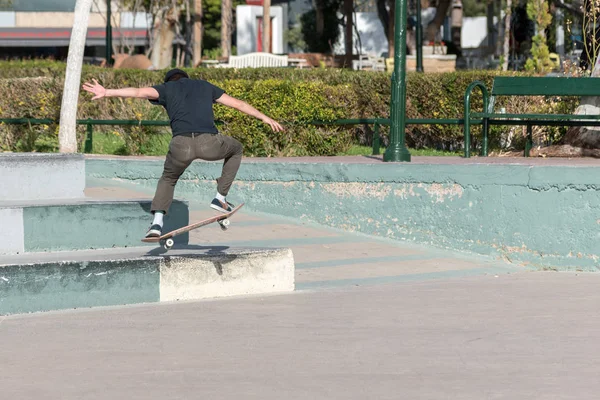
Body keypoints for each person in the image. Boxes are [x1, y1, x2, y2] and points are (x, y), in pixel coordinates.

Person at [82, 68, 284, 238]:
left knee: (168, 178)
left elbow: (137, 92)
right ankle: (220, 197)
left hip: (180, 145)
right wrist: (264, 117)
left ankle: (157, 224)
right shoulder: (205, 86)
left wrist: (107, 92)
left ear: (169, 81)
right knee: (236, 149)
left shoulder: (166, 89)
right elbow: (238, 104)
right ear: (187, 78)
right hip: (209, 143)